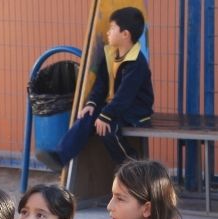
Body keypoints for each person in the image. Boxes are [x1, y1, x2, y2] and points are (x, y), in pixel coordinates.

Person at [35, 7, 153, 172]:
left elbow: (125, 95)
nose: (108, 32)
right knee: (87, 116)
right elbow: (101, 84)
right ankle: (60, 157)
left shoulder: (136, 62)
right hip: (115, 106)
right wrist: (92, 103)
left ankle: (131, 165)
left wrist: (105, 115)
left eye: (112, 28)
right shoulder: (110, 55)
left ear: (125, 34)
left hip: (135, 109)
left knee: (108, 127)